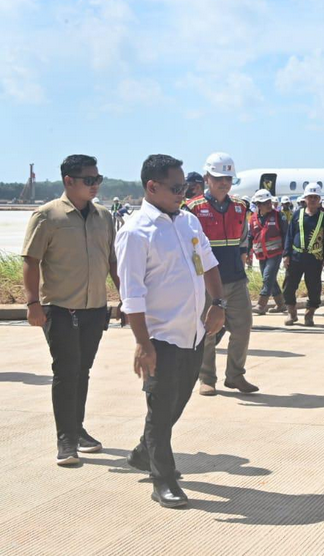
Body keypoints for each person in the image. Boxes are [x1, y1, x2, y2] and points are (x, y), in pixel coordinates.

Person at [116, 154, 226, 508]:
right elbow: (131, 295)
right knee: (161, 408)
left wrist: (218, 304)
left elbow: (208, 264)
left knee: (177, 401)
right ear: (153, 187)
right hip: (159, 337)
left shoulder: (189, 223)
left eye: (185, 186)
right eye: (177, 187)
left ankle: (143, 451)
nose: (185, 192)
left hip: (193, 333)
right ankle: (162, 479)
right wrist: (142, 344)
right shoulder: (135, 232)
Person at [22, 154, 119, 466]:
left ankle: (77, 429)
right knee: (66, 371)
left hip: (95, 309)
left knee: (82, 371)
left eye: (97, 179)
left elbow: (113, 261)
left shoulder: (104, 217)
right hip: (60, 309)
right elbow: (31, 261)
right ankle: (66, 440)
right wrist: (33, 303)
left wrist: (126, 299)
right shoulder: (47, 216)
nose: (95, 185)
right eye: (89, 180)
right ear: (69, 181)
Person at [186, 153, 258, 397]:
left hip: (236, 279)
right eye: (218, 178)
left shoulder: (240, 207)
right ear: (207, 178)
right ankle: (206, 378)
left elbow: (243, 239)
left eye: (227, 178)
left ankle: (235, 375)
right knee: (207, 331)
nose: (223, 182)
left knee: (243, 326)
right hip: (206, 281)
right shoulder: (194, 208)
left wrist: (243, 259)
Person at [283, 184, 324, 327]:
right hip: (296, 256)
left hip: (314, 259)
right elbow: (290, 235)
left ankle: (309, 314)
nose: (313, 200)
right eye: (310, 197)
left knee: (314, 288)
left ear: (319, 199)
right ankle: (291, 312)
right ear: (305, 198)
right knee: (289, 286)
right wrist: (286, 254)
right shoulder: (297, 214)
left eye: (315, 197)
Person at [247, 189, 288, 315]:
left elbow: (286, 235)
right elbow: (250, 236)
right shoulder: (253, 219)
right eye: (265, 203)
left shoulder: (279, 216)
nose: (269, 204)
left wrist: (287, 254)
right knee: (271, 279)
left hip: (275, 254)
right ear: (258, 205)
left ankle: (261, 304)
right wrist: (246, 252)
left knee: (267, 277)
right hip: (261, 255)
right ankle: (281, 304)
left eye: (269, 201)